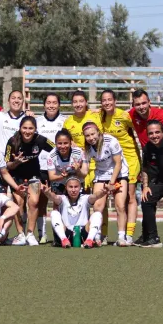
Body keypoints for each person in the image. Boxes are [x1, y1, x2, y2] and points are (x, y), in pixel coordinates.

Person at [63, 90, 108, 244]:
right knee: (83, 200)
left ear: (86, 102)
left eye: (81, 101)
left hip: (98, 164)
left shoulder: (95, 116)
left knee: (98, 199)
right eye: (75, 102)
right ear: (72, 104)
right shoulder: (68, 122)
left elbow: (108, 110)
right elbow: (67, 141)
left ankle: (100, 233)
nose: (78, 104)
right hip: (80, 166)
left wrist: (100, 110)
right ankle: (84, 232)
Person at [99, 89, 141, 244]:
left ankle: (128, 235)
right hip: (110, 162)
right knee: (104, 197)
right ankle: (103, 234)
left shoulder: (125, 116)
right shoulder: (99, 117)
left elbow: (141, 126)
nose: (107, 102)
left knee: (129, 196)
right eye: (104, 100)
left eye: (110, 99)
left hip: (129, 159)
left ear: (115, 101)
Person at [5, 116, 54, 246]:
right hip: (17, 177)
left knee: (34, 202)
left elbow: (56, 148)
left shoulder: (41, 140)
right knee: (19, 204)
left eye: (31, 128)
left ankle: (30, 233)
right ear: (20, 128)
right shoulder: (12, 141)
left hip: (34, 175)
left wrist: (71, 145)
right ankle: (21, 234)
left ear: (35, 129)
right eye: (24, 128)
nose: (27, 131)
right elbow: (7, 165)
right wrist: (15, 162)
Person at [82, 121, 129, 246]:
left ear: (98, 132)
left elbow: (118, 163)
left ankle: (121, 237)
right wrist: (76, 170)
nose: (91, 138)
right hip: (101, 174)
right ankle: (96, 236)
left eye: (93, 134)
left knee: (120, 205)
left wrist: (111, 183)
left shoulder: (111, 141)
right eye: (87, 136)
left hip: (119, 173)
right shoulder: (87, 148)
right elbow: (85, 170)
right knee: (98, 206)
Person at [41, 177, 109, 248]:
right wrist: (47, 193)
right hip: (66, 234)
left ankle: (89, 240)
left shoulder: (85, 198)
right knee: (54, 213)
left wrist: (103, 192)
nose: (73, 190)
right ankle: (63, 240)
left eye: (76, 187)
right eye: (70, 187)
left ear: (80, 188)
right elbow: (54, 197)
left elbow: (94, 196)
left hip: (83, 235)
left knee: (97, 214)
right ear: (66, 188)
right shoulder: (62, 198)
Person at [35, 93, 67, 243]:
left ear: (59, 105)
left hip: (58, 169)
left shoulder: (65, 121)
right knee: (40, 201)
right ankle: (42, 234)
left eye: (54, 102)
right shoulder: (37, 121)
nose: (51, 105)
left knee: (57, 201)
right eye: (48, 102)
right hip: (40, 166)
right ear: (44, 105)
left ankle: (58, 234)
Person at [138, 120, 163, 248]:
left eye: (157, 132)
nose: (154, 135)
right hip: (161, 181)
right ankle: (153, 238)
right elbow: (145, 169)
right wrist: (146, 187)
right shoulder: (147, 147)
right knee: (146, 200)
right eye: (151, 133)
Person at [47, 129, 88, 194]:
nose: (63, 146)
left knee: (78, 202)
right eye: (59, 143)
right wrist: (62, 176)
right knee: (58, 202)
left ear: (71, 142)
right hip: (59, 180)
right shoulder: (51, 155)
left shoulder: (79, 152)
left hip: (76, 179)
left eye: (66, 143)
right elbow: (51, 177)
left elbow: (84, 174)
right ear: (55, 143)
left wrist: (77, 170)